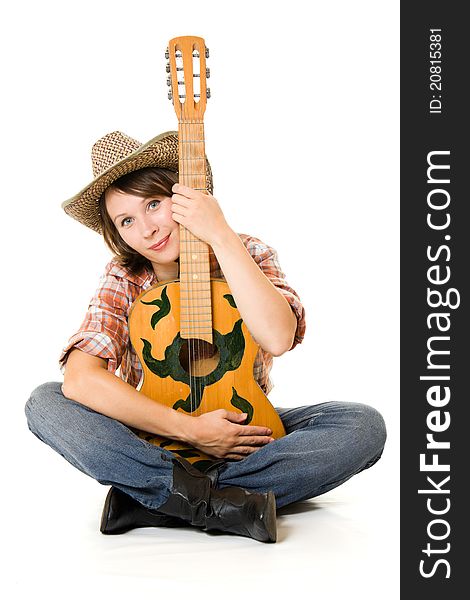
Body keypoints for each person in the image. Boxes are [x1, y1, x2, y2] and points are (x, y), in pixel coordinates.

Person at [25, 130, 387, 544]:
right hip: (160, 435)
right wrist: (191, 430)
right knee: (45, 401)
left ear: (184, 196)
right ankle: (226, 504)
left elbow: (278, 338)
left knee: (361, 426)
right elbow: (80, 379)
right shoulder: (125, 276)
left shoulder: (246, 250)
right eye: (127, 220)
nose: (146, 229)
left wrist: (220, 235)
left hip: (242, 429)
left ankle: (158, 496)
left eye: (154, 204)